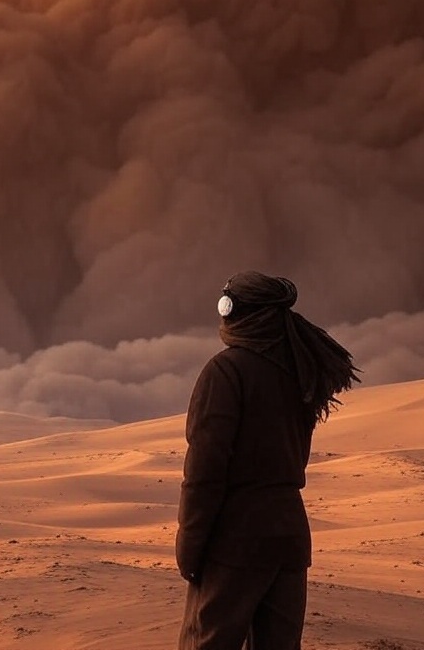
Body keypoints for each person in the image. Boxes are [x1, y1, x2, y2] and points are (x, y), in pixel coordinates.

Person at [176, 271, 359, 650]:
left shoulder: (225, 371)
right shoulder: (299, 373)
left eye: (225, 305)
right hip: (289, 536)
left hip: (236, 537)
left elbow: (204, 471)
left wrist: (190, 544)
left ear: (237, 312)